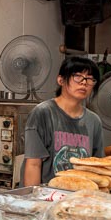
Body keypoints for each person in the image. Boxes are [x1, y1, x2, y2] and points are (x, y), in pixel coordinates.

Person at [23, 56, 104, 186]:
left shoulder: (94, 121)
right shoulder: (43, 113)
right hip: (46, 197)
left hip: (77, 197)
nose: (84, 83)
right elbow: (33, 164)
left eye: (90, 79)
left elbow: (97, 167)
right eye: (78, 76)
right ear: (61, 80)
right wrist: (34, 201)